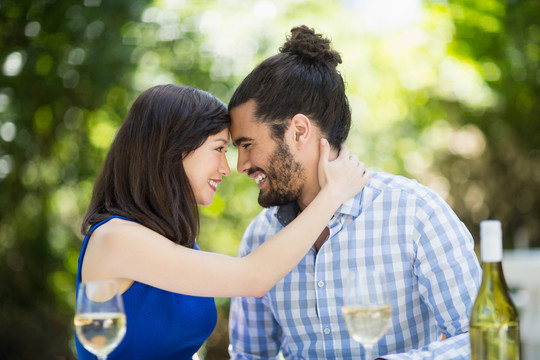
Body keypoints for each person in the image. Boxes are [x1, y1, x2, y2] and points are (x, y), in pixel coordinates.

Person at [227, 25, 482, 359]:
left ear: (299, 131)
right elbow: (249, 355)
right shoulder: (259, 238)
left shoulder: (415, 213)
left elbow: (481, 340)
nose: (241, 164)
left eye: (247, 144)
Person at [75, 84, 369, 359]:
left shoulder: (172, 240)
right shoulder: (116, 239)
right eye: (218, 149)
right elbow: (254, 277)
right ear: (174, 150)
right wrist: (333, 194)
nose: (227, 168)